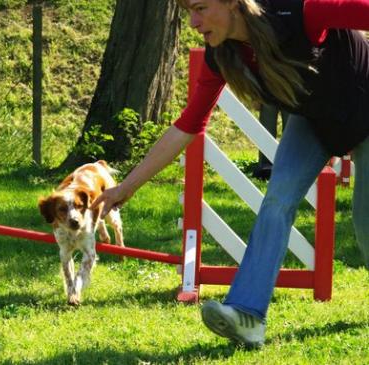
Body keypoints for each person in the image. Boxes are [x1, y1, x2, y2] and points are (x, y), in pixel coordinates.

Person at [91, 0, 369, 348]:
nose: (193, 22)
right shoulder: (222, 56)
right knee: (277, 200)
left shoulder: (298, 12)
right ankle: (248, 316)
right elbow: (186, 127)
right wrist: (125, 188)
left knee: (365, 223)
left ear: (233, 3)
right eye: (188, 13)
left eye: (201, 8)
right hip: (316, 120)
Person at [253, 104, 288, 180]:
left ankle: (289, 164)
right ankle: (265, 167)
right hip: (268, 93)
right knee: (267, 128)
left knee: (290, 128)